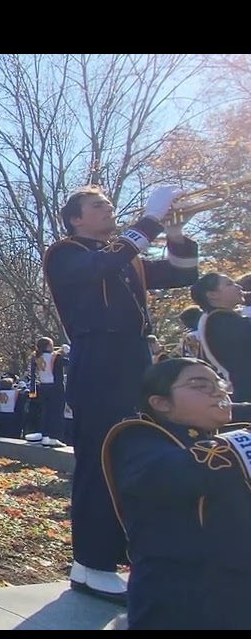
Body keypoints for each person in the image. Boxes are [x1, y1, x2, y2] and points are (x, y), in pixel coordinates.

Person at [43, 183, 199, 601]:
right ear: (76, 218)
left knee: (134, 456)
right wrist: (149, 220)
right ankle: (92, 561)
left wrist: (176, 234)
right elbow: (99, 266)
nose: (109, 209)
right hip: (98, 356)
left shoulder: (124, 257)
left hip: (134, 357)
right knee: (100, 458)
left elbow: (183, 274)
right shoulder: (65, 252)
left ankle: (108, 558)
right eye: (98, 205)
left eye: (110, 204)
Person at [102, 358, 251, 629]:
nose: (218, 392)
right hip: (178, 602)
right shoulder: (136, 437)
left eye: (218, 383)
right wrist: (241, 444)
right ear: (161, 403)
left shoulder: (210, 433)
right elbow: (172, 475)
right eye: (200, 385)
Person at [192, 273, 250, 401]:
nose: (239, 286)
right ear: (212, 295)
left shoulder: (217, 319)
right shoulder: (220, 322)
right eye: (229, 284)